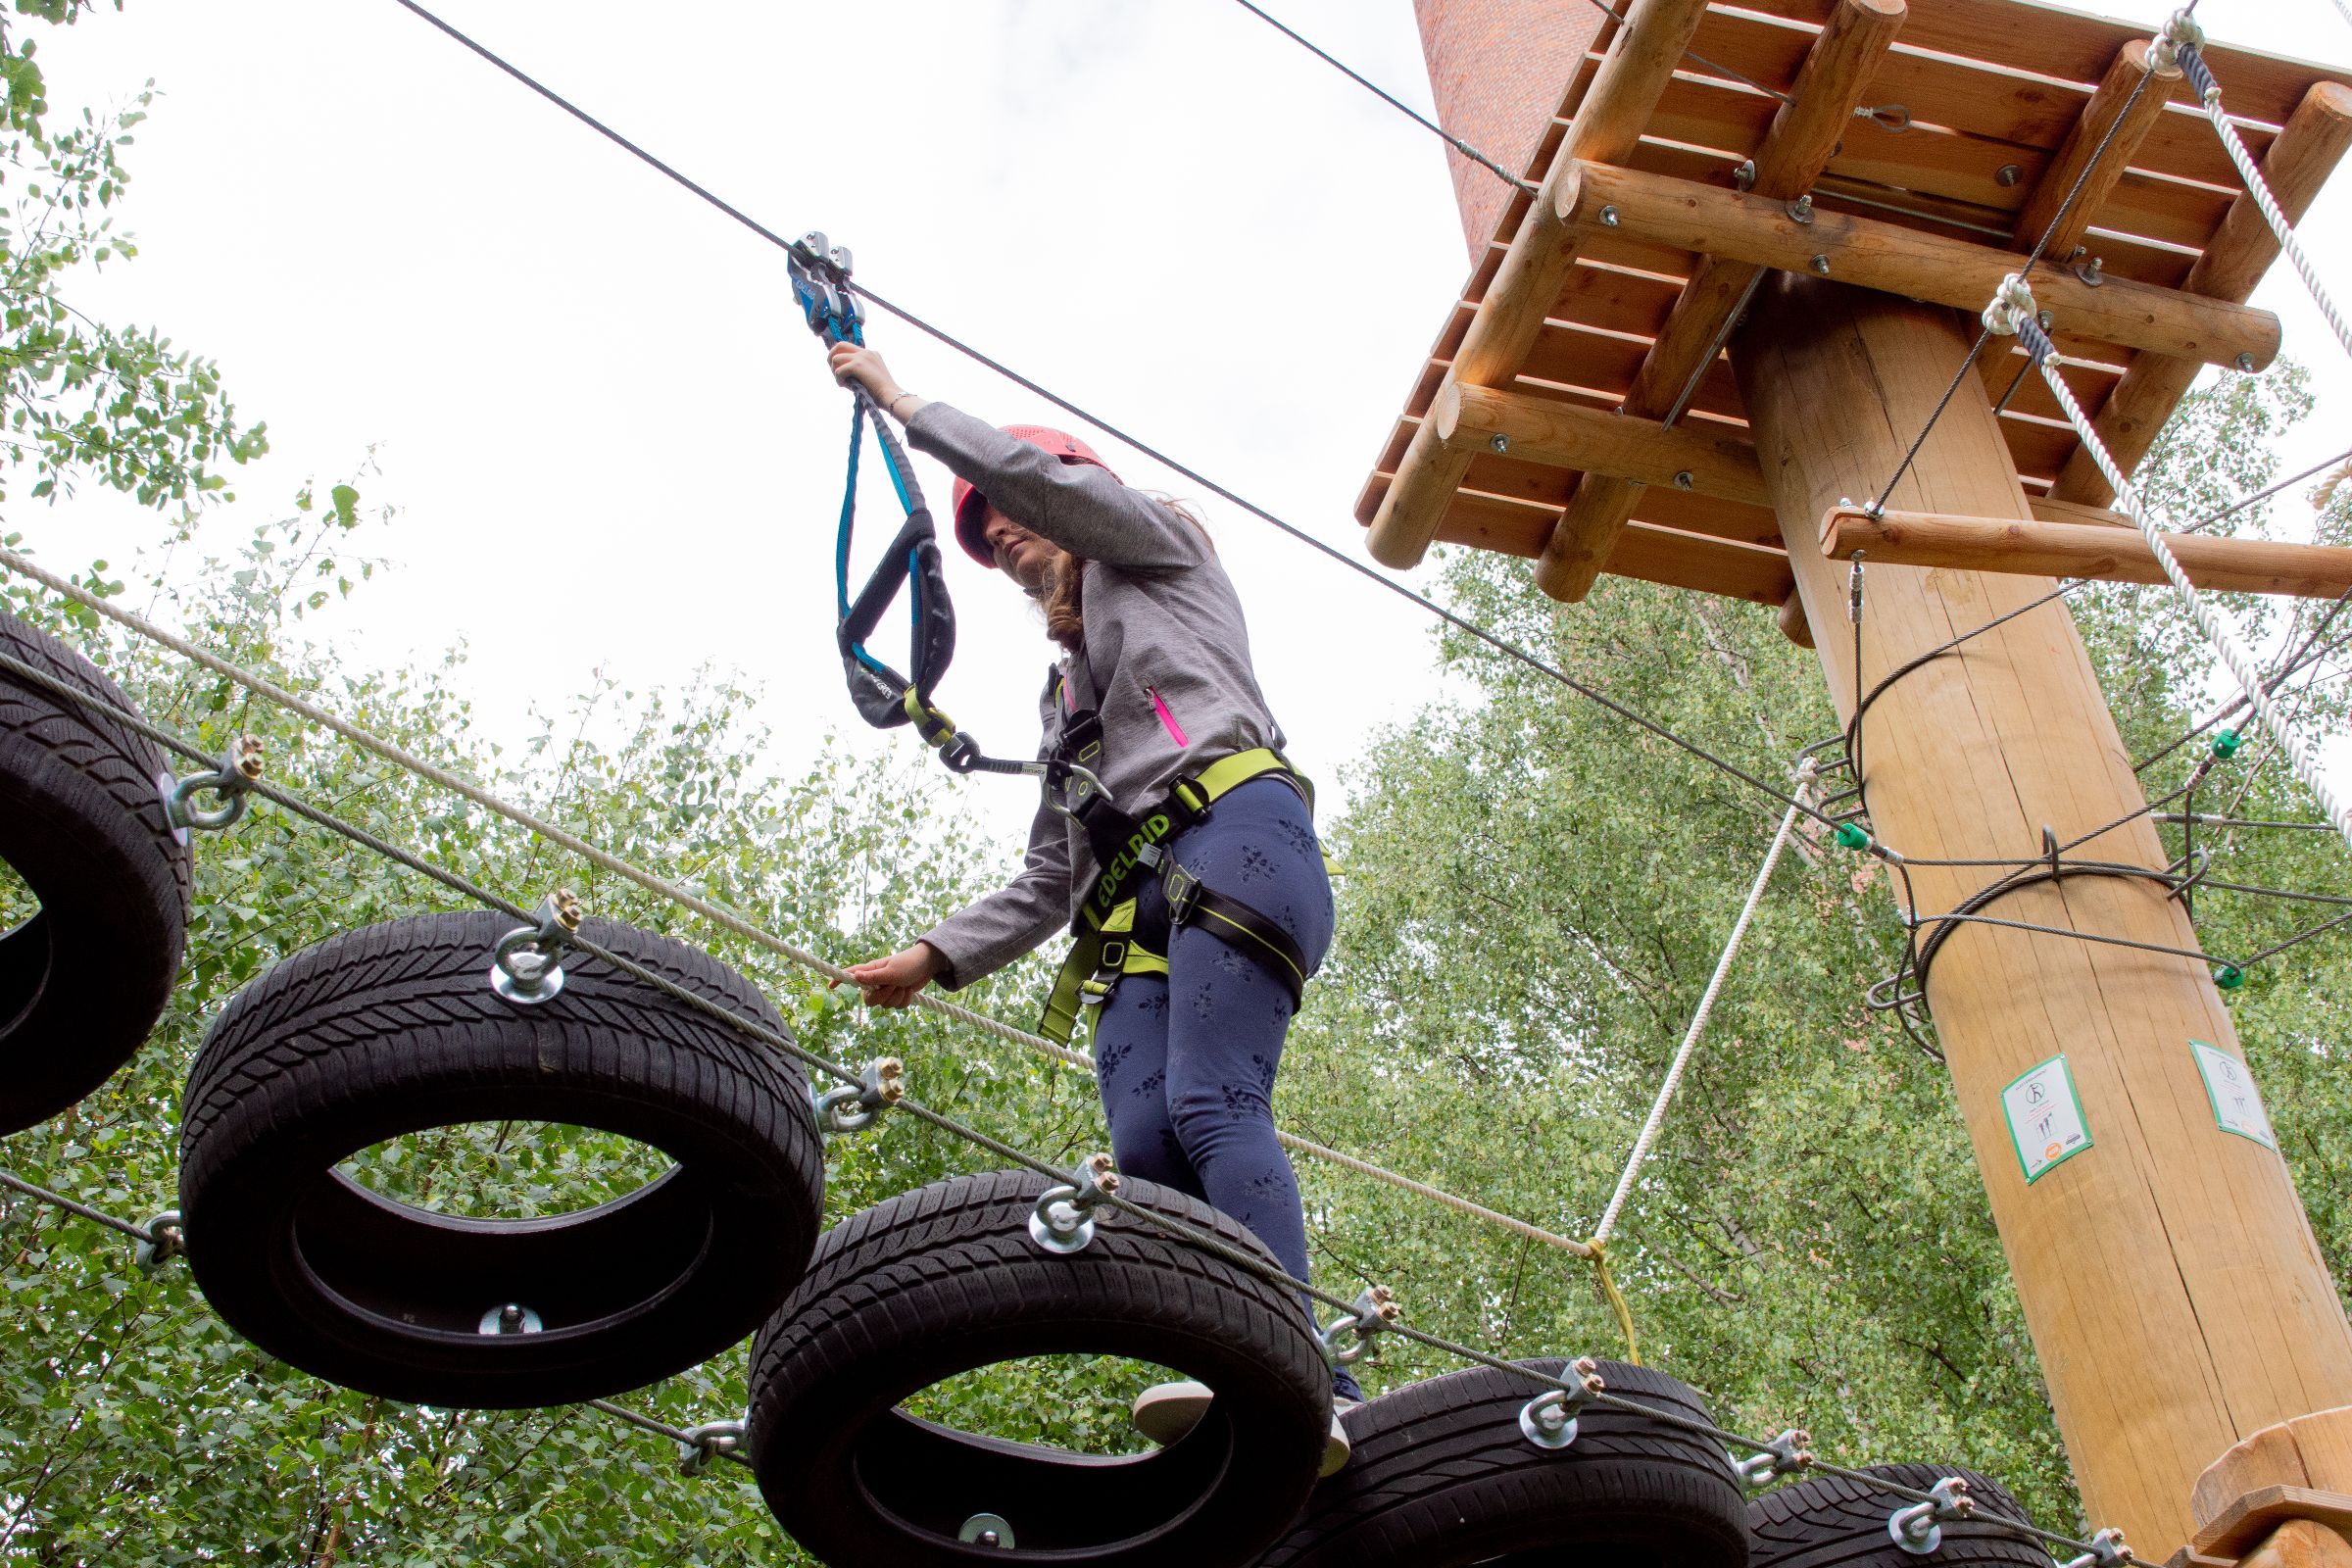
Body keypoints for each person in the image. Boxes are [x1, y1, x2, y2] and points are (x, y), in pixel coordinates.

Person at [827, 341, 1360, 1474]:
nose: (994, 537)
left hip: (1234, 837)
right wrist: (936, 955)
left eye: (1000, 516)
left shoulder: (1156, 549)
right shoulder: (1066, 690)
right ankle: (1245, 1365)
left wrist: (908, 405)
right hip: (1131, 911)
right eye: (978, 537)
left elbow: (1058, 493)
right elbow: (1050, 873)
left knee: (1215, 1099)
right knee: (1146, 1142)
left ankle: (1313, 1362)